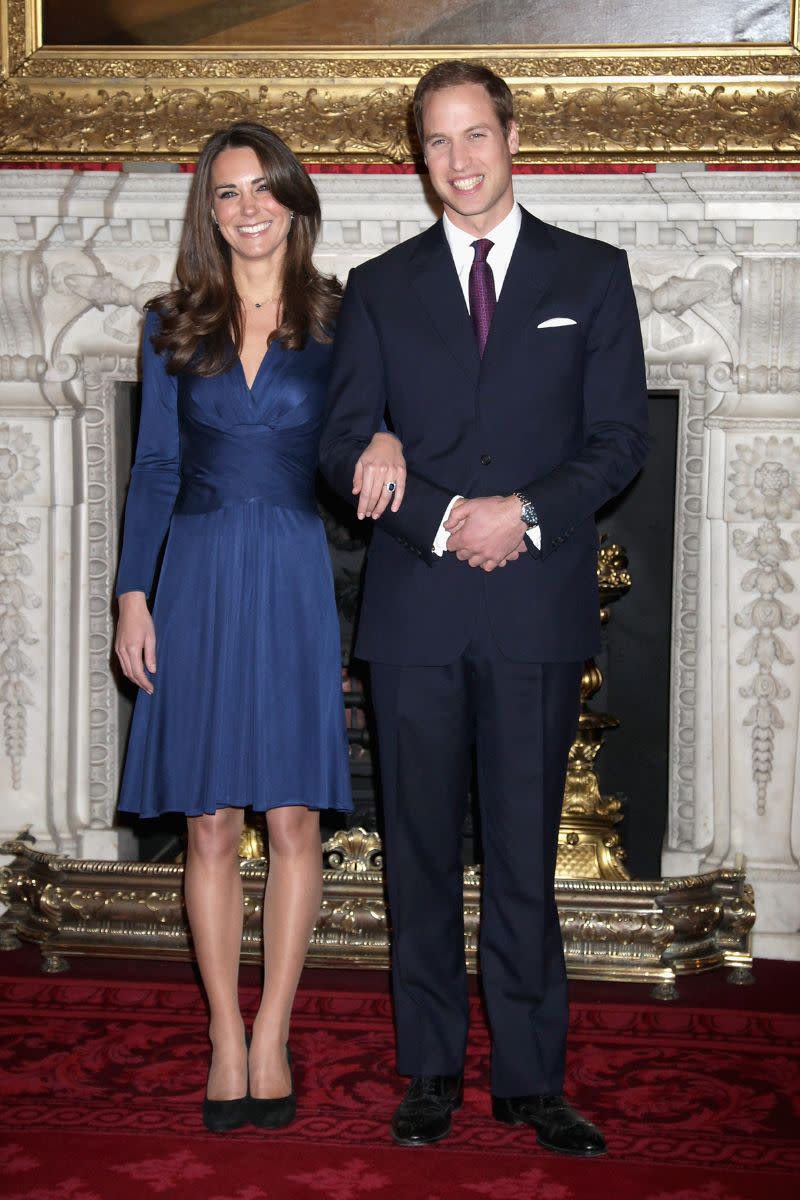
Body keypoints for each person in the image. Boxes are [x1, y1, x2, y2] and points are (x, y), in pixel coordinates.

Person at [320, 61, 649, 1155]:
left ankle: (528, 1079)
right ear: (417, 158)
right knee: (414, 850)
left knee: (520, 850)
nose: (456, 161)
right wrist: (435, 505)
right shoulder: (376, 286)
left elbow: (616, 443)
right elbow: (342, 441)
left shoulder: (591, 276)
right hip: (413, 609)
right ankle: (427, 1073)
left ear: (510, 136)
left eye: (473, 136)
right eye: (434, 143)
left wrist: (523, 515)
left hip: (533, 606)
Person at [113, 121, 404, 1134]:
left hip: (286, 569)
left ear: (293, 200)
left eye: (262, 189)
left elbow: (365, 428)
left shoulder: (340, 319)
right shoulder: (171, 326)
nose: (246, 209)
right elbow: (153, 469)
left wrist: (385, 435)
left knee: (287, 817)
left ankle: (272, 1028)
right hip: (190, 573)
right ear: (211, 209)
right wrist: (131, 596)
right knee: (205, 821)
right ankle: (221, 1035)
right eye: (227, 193)